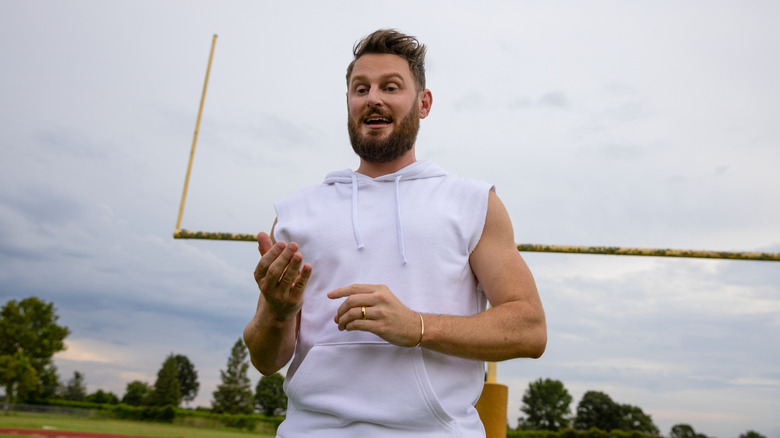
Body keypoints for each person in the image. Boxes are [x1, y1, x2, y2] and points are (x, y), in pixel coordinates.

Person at [244, 29, 546, 437]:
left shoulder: (473, 202)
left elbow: (529, 328)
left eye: (391, 87)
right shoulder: (297, 214)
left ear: (423, 103)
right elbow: (267, 360)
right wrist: (278, 314)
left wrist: (418, 327)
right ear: (348, 103)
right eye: (360, 88)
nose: (373, 98)